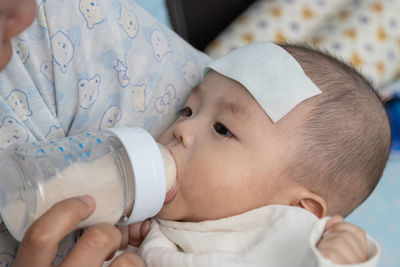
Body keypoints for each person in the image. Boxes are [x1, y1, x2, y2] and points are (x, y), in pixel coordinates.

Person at [0, 1, 389, 267]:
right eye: (188, 109)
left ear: (300, 211)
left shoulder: (287, 240)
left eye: (223, 129)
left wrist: (334, 258)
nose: (181, 128)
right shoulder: (159, 227)